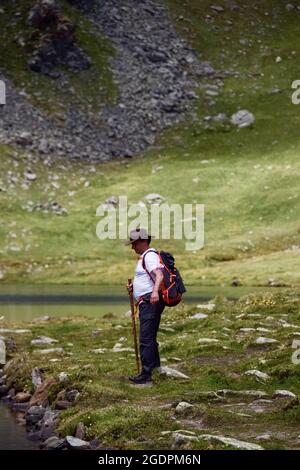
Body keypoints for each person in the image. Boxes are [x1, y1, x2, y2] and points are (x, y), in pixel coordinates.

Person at [126, 228, 164, 385]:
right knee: (150, 337)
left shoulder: (149, 256)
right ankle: (155, 369)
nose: (132, 247)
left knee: (146, 338)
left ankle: (146, 373)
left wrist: (155, 292)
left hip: (150, 301)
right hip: (147, 300)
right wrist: (134, 288)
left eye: (134, 243)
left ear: (142, 242)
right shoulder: (146, 257)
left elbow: (159, 275)